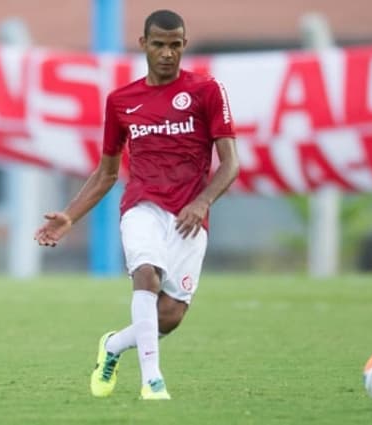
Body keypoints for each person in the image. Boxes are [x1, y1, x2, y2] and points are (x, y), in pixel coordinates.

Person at [34, 9, 239, 400]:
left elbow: (231, 163)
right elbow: (107, 173)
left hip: (189, 217)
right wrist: (70, 216)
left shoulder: (207, 91)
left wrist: (202, 202)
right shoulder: (121, 101)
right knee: (145, 272)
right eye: (159, 44)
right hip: (142, 206)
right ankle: (152, 381)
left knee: (170, 317)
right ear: (144, 44)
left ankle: (112, 346)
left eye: (175, 45)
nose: (167, 53)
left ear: (184, 45)